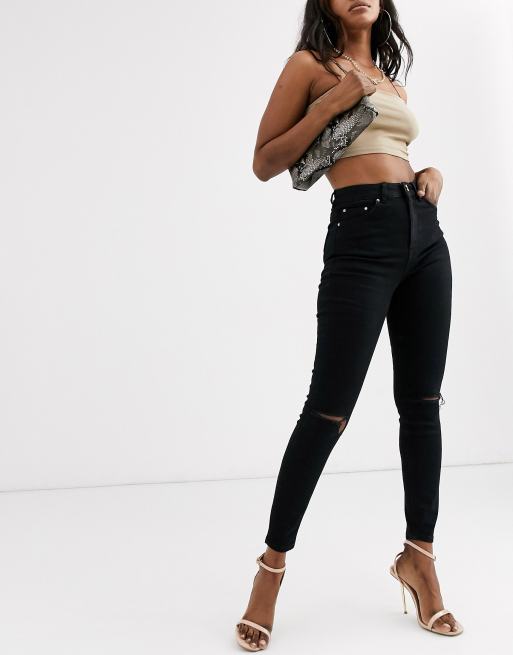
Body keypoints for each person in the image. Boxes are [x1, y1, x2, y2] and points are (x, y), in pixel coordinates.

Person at [235, 1, 463, 650]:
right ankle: (270, 568)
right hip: (360, 234)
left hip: (424, 234)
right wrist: (329, 103)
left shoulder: (390, 79)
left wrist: (428, 172)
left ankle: (419, 557)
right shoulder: (310, 66)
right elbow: (265, 161)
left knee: (422, 404)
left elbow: (387, 148)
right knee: (327, 409)